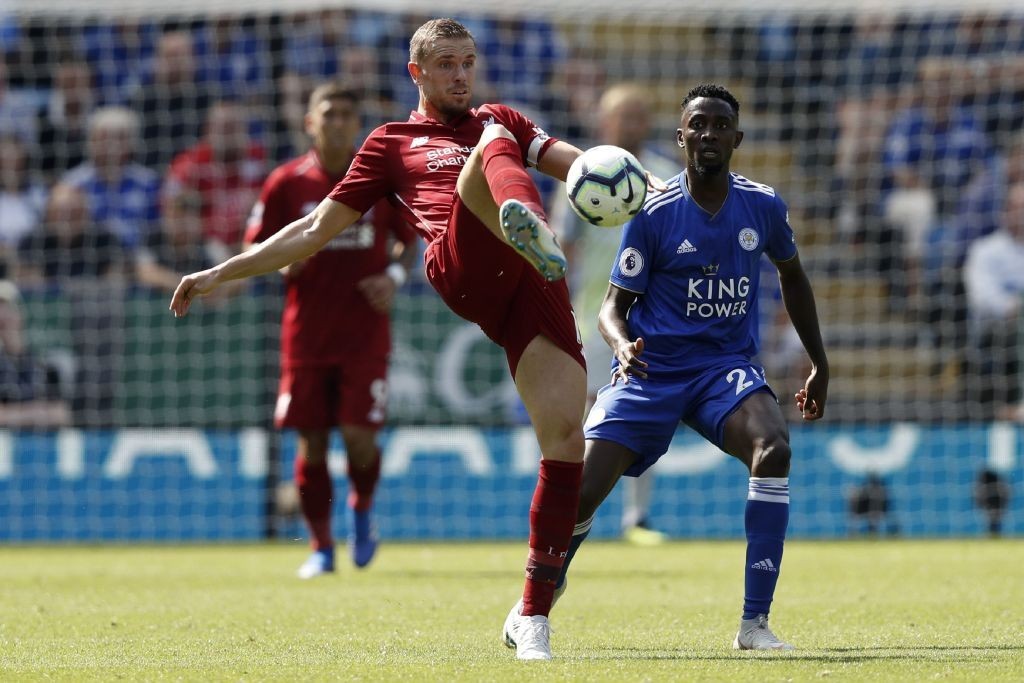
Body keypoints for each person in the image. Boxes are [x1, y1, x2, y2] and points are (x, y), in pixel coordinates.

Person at [171, 18, 609, 661]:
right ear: (418, 73)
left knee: (566, 439)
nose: (461, 75)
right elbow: (315, 227)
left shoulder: (506, 117)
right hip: (460, 264)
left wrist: (650, 187)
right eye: (447, 64)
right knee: (491, 147)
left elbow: (578, 164)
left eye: (468, 62)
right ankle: (525, 219)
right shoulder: (390, 142)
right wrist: (221, 272)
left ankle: (532, 616)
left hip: (531, 282)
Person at [541, 84, 829, 651]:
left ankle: (755, 625)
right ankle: (538, 601)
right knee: (580, 493)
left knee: (774, 448)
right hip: (654, 369)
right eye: (697, 125)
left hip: (723, 368)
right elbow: (612, 308)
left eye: (720, 125)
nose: (708, 135)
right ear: (681, 137)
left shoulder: (762, 205)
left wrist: (820, 362)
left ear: (737, 138)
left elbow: (793, 276)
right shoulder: (653, 211)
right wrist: (623, 345)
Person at [243, 81, 417, 576]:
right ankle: (321, 548)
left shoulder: (379, 182)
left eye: (346, 114)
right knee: (311, 442)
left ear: (357, 123)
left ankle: (361, 508)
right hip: (307, 337)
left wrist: (394, 275)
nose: (337, 121)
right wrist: (281, 266)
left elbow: (413, 241)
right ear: (310, 122)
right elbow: (255, 245)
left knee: (360, 438)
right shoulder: (286, 183)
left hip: (365, 334)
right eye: (329, 113)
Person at [551, 82, 679, 546]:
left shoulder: (666, 176)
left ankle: (637, 519)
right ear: (603, 123)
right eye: (620, 116)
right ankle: (564, 509)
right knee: (576, 421)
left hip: (650, 322)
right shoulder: (582, 175)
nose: (628, 124)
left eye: (637, 115)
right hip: (591, 320)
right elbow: (562, 251)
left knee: (644, 415)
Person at [962, 180, 1024, 421]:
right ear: (1004, 211)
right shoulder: (986, 250)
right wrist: (1014, 308)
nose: (1020, 213)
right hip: (997, 331)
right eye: (1016, 207)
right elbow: (981, 296)